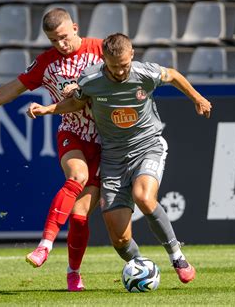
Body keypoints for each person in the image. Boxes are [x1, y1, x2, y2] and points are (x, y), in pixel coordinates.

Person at [26, 33, 212, 283]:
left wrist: (197, 98)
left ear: (131, 55)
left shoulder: (145, 73)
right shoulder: (91, 79)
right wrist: (49, 109)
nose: (121, 71)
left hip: (147, 146)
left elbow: (174, 75)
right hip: (112, 158)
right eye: (114, 67)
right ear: (104, 60)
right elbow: (76, 104)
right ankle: (140, 266)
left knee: (144, 197)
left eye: (124, 65)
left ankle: (177, 256)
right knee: (120, 239)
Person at [0, 8, 104, 291]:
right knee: (76, 176)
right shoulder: (46, 63)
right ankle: (44, 245)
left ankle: (73, 271)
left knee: (79, 216)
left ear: (75, 28)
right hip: (73, 133)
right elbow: (12, 89)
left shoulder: (100, 50)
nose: (61, 44)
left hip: (106, 139)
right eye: (54, 40)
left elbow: (127, 70)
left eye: (64, 37)